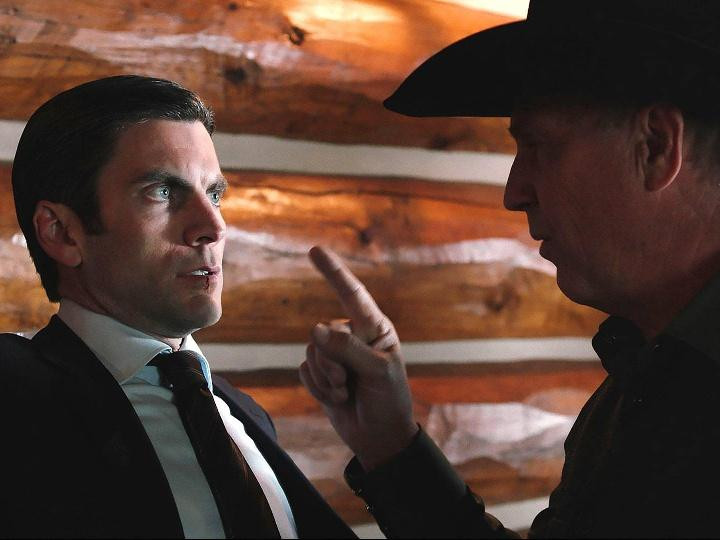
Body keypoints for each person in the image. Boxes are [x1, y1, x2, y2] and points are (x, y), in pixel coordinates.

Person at [300, 1, 720, 537]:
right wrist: (390, 445)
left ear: (656, 146)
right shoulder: (647, 370)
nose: (514, 192)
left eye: (539, 146)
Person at [1, 75, 354, 538]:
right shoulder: (14, 395)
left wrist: (389, 446)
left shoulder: (243, 414)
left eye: (214, 194)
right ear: (62, 233)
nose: (214, 226)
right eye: (163, 192)